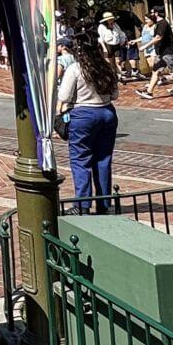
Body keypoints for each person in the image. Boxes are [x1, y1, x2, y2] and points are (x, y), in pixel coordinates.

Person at [57, 35, 119, 212]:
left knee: (81, 160)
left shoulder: (75, 69)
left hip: (83, 115)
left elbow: (64, 96)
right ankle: (104, 203)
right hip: (107, 113)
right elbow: (115, 95)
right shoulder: (106, 68)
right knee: (103, 159)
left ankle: (82, 205)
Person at [138, 8, 173, 102]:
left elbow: (158, 37)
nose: (150, 15)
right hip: (162, 53)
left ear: (156, 13)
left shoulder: (163, 23)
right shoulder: (159, 24)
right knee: (156, 71)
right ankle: (149, 92)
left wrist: (145, 46)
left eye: (152, 13)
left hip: (167, 53)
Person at [96, 11, 128, 78]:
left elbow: (121, 33)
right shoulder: (101, 27)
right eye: (110, 19)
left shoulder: (116, 25)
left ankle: (119, 75)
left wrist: (124, 41)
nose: (112, 21)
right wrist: (104, 48)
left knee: (118, 61)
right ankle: (113, 75)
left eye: (112, 19)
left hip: (116, 45)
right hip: (108, 45)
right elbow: (100, 38)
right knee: (110, 63)